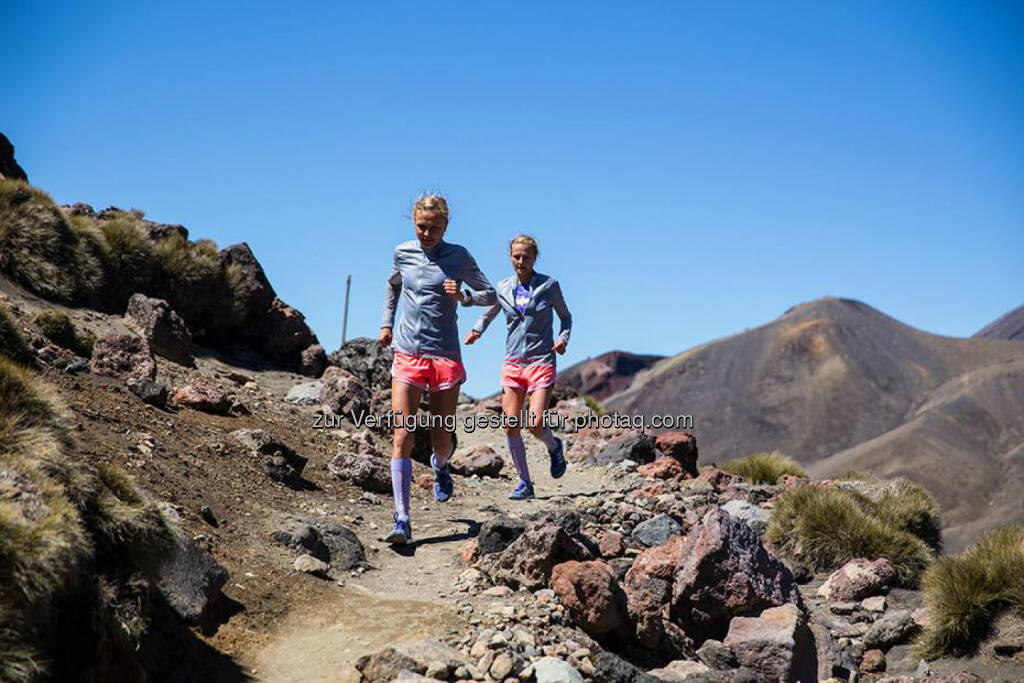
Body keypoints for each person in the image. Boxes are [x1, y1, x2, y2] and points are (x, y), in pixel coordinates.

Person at [379, 194, 494, 544]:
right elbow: (393, 285)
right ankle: (402, 520)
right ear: (413, 223)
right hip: (407, 352)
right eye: (421, 226)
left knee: (440, 437)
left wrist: (464, 297)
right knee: (402, 434)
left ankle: (441, 464)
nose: (426, 233)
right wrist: (386, 324)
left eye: (434, 227)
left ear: (446, 226)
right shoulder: (403, 252)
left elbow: (490, 294)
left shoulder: (458, 257)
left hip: (444, 355)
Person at [463, 234, 571, 500]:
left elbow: (566, 317)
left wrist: (562, 339)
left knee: (534, 423)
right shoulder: (503, 287)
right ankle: (525, 482)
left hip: (541, 361)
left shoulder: (549, 286)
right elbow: (490, 310)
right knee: (511, 425)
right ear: (510, 257)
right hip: (513, 363)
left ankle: (554, 446)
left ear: (535, 258)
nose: (520, 261)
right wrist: (477, 330)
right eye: (516, 256)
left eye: (526, 256)